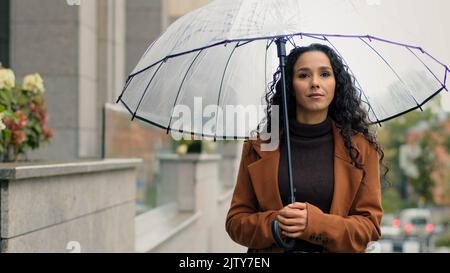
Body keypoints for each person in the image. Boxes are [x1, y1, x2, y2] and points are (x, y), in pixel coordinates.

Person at [225, 43, 387, 253]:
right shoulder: (259, 146)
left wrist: (315, 224)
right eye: (303, 75)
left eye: (325, 74)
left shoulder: (361, 148)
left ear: (336, 83)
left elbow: (369, 228)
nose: (315, 83)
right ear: (290, 86)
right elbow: (236, 222)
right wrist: (276, 224)